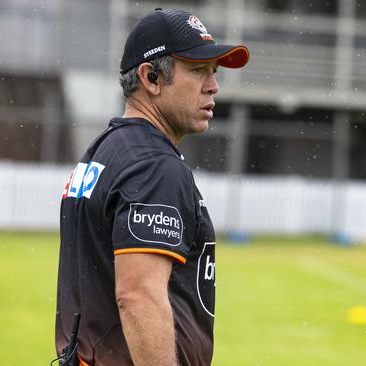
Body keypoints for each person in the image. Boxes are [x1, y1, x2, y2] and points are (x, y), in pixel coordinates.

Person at [55, 8, 249, 366]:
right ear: (152, 78)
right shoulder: (154, 166)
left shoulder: (105, 150)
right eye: (197, 70)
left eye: (214, 72)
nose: (213, 85)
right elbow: (138, 295)